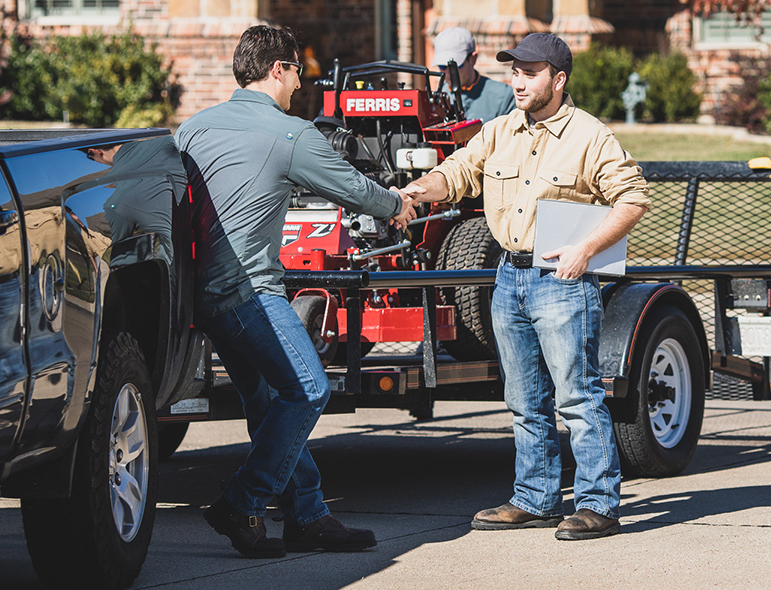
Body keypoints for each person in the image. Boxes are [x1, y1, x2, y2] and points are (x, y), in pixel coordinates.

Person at [175, 24, 416, 558]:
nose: (300, 87)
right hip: (249, 292)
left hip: (203, 298)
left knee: (267, 400)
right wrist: (397, 204)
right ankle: (242, 501)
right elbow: (351, 186)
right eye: (297, 74)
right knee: (308, 388)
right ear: (278, 69)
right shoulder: (291, 133)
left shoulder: (192, 128)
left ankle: (307, 515)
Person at [404, 33, 650, 540]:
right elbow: (455, 174)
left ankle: (598, 504)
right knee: (523, 399)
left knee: (578, 398)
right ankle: (535, 499)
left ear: (557, 80)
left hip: (562, 283)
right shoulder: (499, 131)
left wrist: (585, 249)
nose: (517, 81)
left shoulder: (590, 136)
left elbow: (632, 199)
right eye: (514, 71)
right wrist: (410, 191)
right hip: (507, 278)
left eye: (529, 72)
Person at [433, 26, 516, 123]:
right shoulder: (436, 99)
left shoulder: (504, 97)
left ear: (473, 59)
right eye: (442, 66)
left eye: (454, 67)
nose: (447, 73)